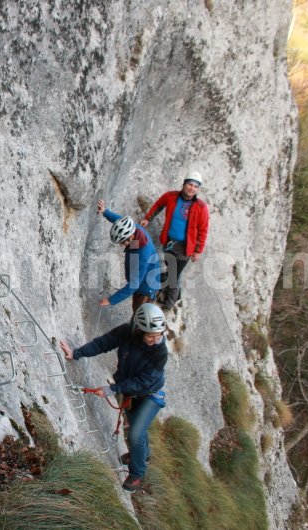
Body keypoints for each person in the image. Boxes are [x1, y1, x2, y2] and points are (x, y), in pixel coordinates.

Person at [59, 303, 168, 493]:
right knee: (138, 431)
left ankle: (137, 473)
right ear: (138, 329)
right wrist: (77, 353)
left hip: (150, 394)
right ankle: (142, 455)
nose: (155, 339)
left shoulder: (160, 351)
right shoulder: (126, 332)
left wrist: (113, 389)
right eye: (150, 335)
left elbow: (143, 381)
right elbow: (103, 343)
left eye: (158, 335)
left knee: (135, 434)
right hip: (131, 393)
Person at [140, 172, 210, 310]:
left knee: (174, 274)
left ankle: (170, 303)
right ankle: (175, 295)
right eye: (190, 184)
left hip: (185, 248)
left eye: (195, 186)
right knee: (169, 268)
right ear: (184, 184)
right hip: (169, 241)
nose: (192, 188)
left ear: (198, 189)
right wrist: (148, 218)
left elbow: (203, 230)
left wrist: (198, 250)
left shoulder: (201, 207)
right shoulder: (171, 197)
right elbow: (158, 206)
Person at [98, 199, 161, 313]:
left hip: (146, 290)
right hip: (140, 281)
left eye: (123, 242)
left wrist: (110, 300)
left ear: (131, 237)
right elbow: (120, 222)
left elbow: (134, 285)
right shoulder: (135, 230)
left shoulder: (143, 254)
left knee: (139, 319)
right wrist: (105, 212)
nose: (122, 245)